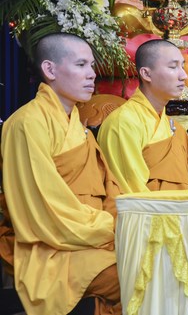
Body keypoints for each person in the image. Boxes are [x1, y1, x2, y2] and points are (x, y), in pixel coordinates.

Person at [1, 33, 121, 315]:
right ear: (50, 69)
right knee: (138, 273)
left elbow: (109, 188)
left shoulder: (79, 126)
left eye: (92, 65)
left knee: (158, 259)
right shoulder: (27, 124)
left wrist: (122, 222)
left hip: (93, 236)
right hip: (50, 246)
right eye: (81, 65)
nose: (92, 74)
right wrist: (111, 228)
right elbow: (44, 208)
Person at [97, 39, 188, 192]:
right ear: (146, 74)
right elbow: (132, 194)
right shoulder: (123, 123)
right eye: (173, 67)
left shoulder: (174, 127)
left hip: (182, 205)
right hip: (151, 207)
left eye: (182, 66)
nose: (184, 76)